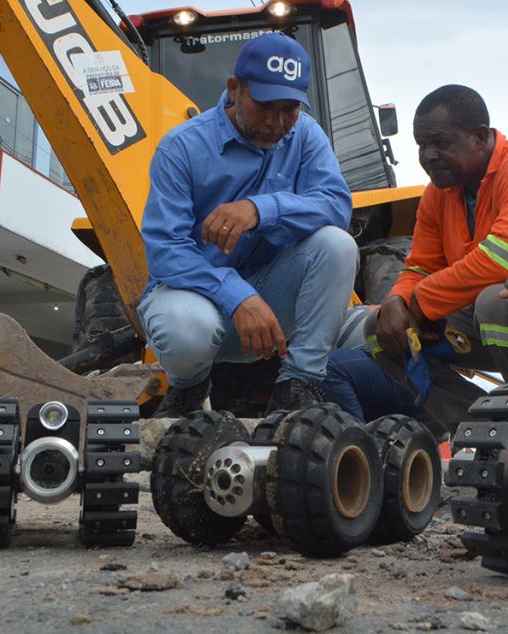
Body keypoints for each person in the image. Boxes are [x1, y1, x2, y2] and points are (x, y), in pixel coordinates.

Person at [139, 32, 358, 417]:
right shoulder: (181, 148)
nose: (277, 122)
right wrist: (237, 296)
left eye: (289, 109)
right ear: (235, 89)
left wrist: (260, 209)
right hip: (197, 299)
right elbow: (165, 251)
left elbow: (337, 206)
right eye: (266, 106)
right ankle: (188, 388)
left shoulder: (305, 135)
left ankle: (298, 385)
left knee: (338, 244)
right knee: (185, 330)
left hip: (272, 303)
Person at [363, 84, 508, 433]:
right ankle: (480, 426)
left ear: (479, 136)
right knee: (379, 328)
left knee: (494, 302)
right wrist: (398, 300)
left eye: (440, 143)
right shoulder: (437, 194)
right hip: (488, 318)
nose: (428, 155)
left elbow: (502, 261)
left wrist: (421, 301)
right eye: (421, 146)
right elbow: (420, 266)